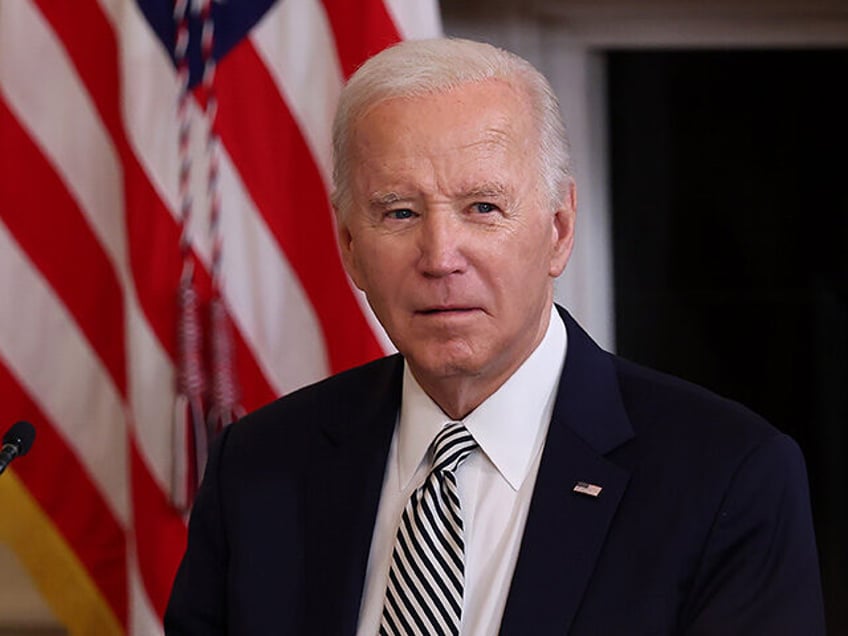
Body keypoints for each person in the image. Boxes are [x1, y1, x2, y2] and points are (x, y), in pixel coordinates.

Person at [164, 38, 825, 634]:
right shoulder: (256, 469)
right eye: (399, 211)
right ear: (350, 248)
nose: (440, 255)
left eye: (482, 208)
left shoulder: (728, 479)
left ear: (558, 230)